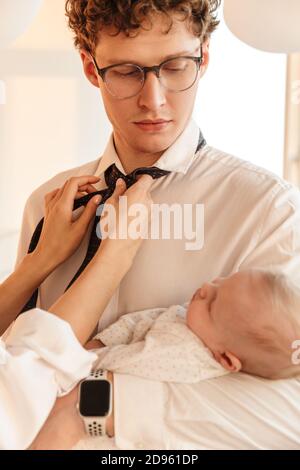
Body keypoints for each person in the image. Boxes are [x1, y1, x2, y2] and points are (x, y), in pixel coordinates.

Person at [15, 0, 300, 450]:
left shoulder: (267, 209)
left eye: (175, 65)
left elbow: (293, 410)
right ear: (91, 68)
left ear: (204, 57)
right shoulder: (45, 207)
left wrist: (93, 405)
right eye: (127, 71)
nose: (154, 100)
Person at [0, 174, 153, 450]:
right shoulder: (38, 201)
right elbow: (22, 386)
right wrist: (117, 252)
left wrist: (40, 260)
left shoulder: (254, 198)